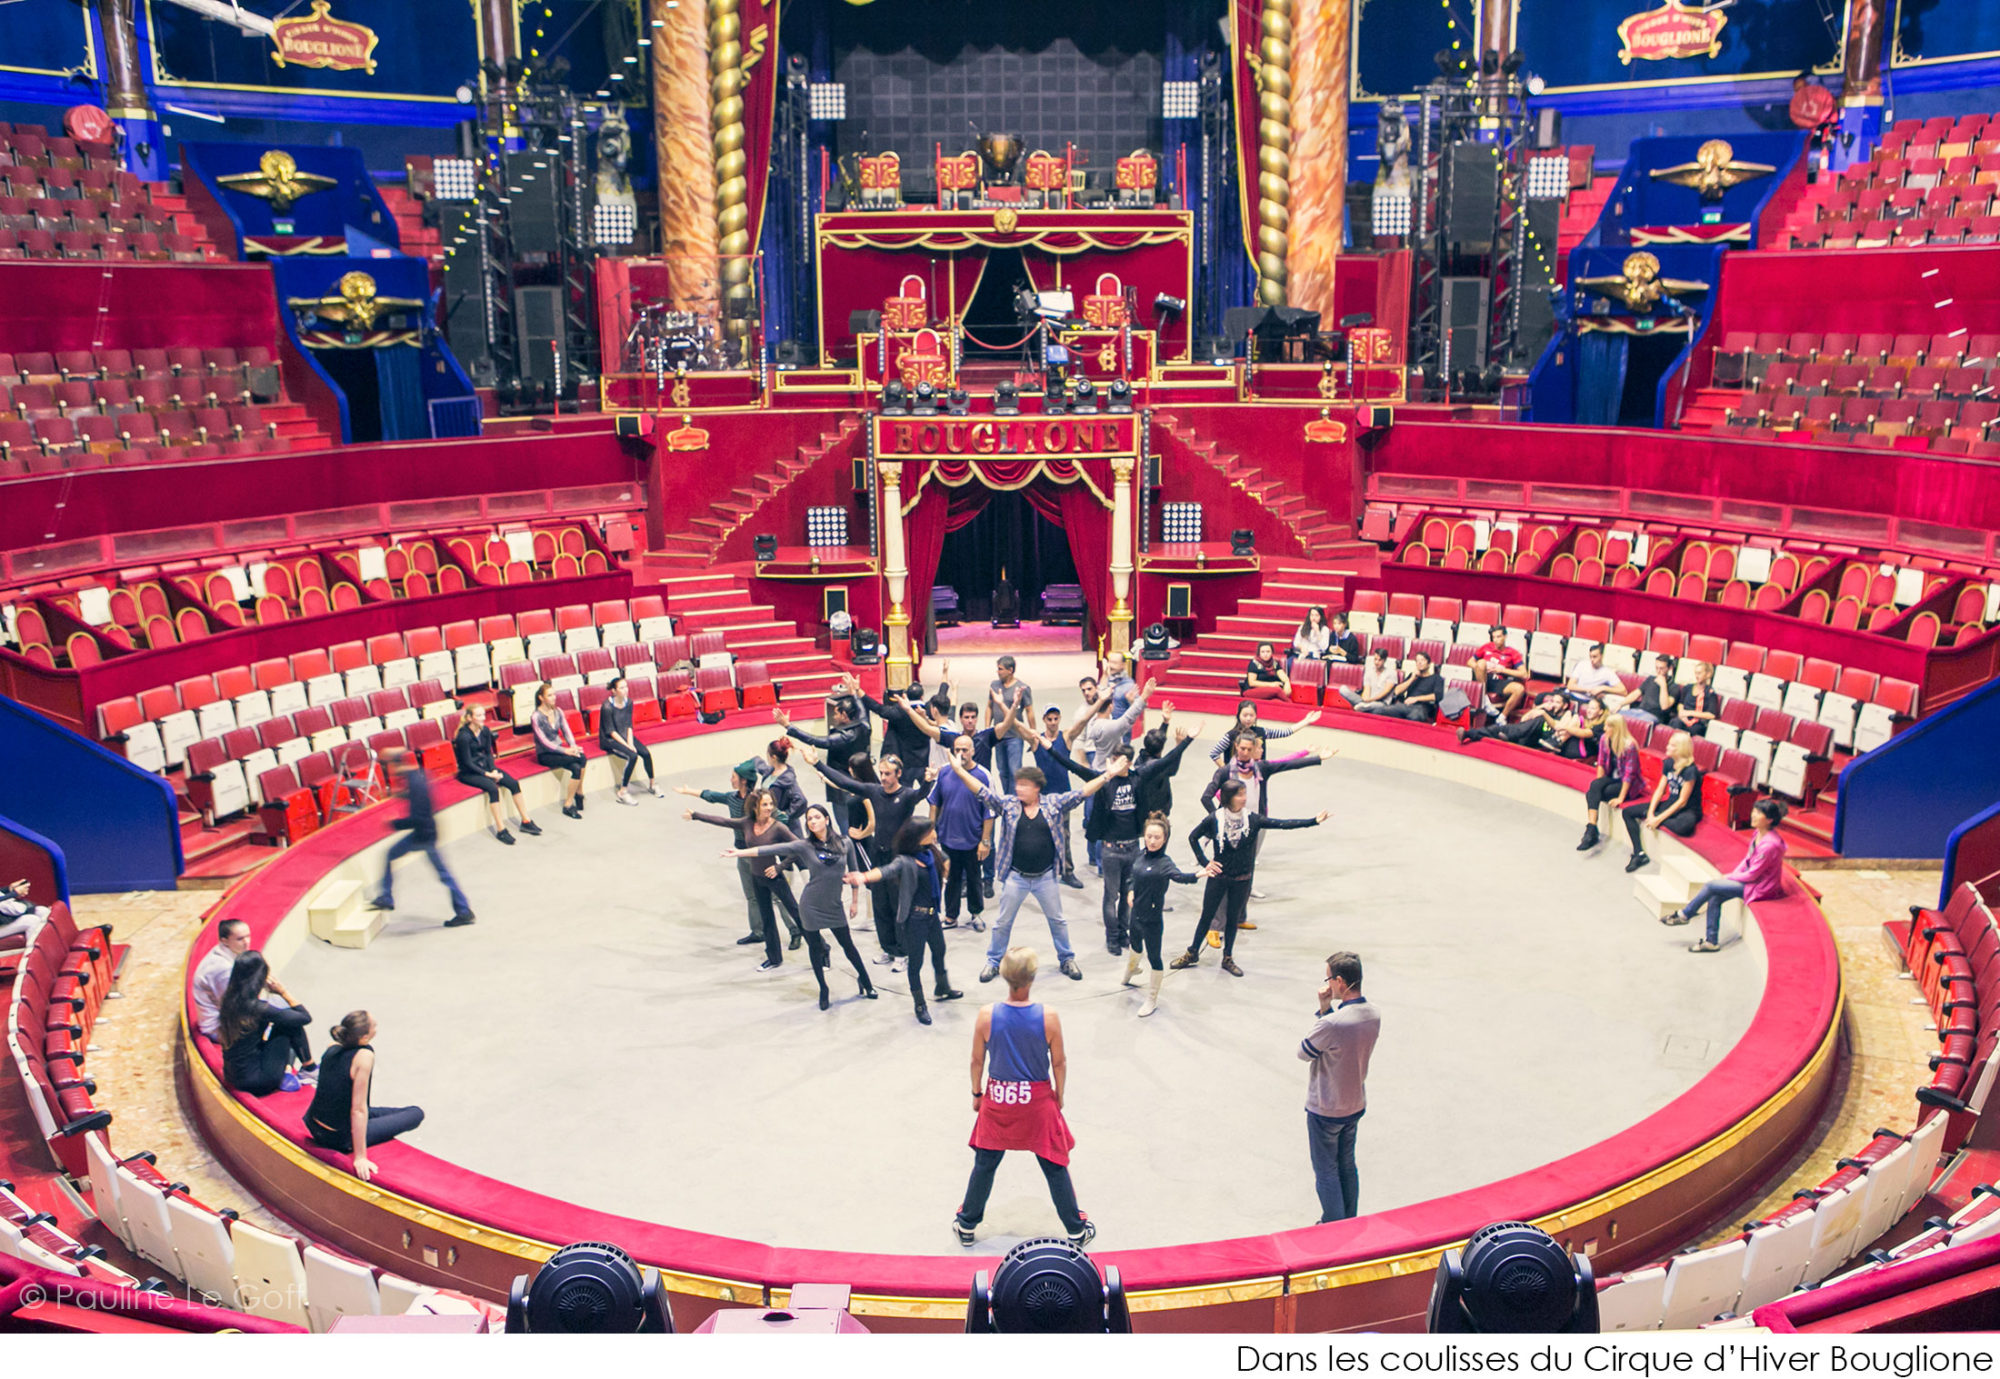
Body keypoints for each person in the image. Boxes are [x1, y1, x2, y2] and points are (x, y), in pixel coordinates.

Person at [948, 729, 1123, 985]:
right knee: (1002, 923)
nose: (1018, 789)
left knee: (1058, 921)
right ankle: (993, 961)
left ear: (1037, 788)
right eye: (1017, 784)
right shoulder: (1008, 805)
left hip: (1046, 878)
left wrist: (1108, 775)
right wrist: (960, 771)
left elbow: (1082, 792)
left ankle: (1066, 958)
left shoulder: (1053, 804)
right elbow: (983, 792)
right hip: (1016, 877)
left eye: (1024, 785)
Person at [951, 947, 1093, 1248]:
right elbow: (1059, 1062)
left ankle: (967, 1224)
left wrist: (978, 1093)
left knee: (985, 1162)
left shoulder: (986, 1015)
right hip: (1036, 1102)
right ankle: (1075, 1228)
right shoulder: (1048, 1017)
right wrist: (1059, 1095)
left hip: (999, 1100)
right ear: (1032, 977)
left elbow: (977, 1061)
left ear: (1004, 976)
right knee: (1054, 1163)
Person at [1045, 716, 1199, 955]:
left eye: (1121, 761)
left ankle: (1124, 933)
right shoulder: (1103, 781)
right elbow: (1073, 767)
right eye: (1114, 760)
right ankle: (1112, 937)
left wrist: (1187, 739)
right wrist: (1049, 749)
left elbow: (1166, 761)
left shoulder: (1138, 778)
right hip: (1110, 849)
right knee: (1111, 895)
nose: (1116, 765)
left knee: (1130, 894)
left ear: (1128, 763)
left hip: (1133, 848)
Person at [728, 803, 876, 1009]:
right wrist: (740, 853)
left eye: (817, 817)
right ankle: (823, 990)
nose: (813, 821)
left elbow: (855, 872)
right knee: (815, 949)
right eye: (809, 819)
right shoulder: (804, 846)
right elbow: (772, 848)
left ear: (827, 819)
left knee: (848, 946)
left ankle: (866, 981)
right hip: (811, 906)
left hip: (834, 905)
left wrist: (855, 902)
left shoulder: (845, 843)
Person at [1175, 781, 1328, 975]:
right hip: (1218, 877)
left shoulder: (1252, 820)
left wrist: (1313, 820)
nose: (1244, 798)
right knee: (1207, 916)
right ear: (1229, 797)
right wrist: (1205, 863)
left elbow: (1282, 824)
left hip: (1241, 879)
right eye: (1240, 794)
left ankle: (1227, 957)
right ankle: (1192, 952)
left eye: (1244, 793)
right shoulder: (1215, 819)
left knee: (1232, 919)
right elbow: (1193, 837)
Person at [799, 740, 928, 961]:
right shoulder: (874, 791)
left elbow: (922, 794)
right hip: (879, 854)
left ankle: (903, 952)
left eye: (888, 774)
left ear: (898, 774)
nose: (884, 778)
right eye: (882, 773)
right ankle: (888, 948)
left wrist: (929, 780)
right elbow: (845, 782)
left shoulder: (906, 795)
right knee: (880, 905)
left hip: (899, 858)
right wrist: (817, 763)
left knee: (898, 905)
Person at [849, 817, 960, 1024]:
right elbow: (885, 871)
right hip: (915, 919)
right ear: (918, 837)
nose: (935, 834)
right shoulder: (905, 861)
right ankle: (920, 1004)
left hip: (931, 916)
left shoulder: (932, 853)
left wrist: (944, 875)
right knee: (915, 963)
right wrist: (863, 877)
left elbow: (947, 860)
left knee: (939, 951)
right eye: (930, 831)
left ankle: (942, 987)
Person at [1299, 951, 1380, 1224]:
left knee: (1326, 1171)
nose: (1328, 984)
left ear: (1341, 982)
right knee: (1347, 1164)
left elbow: (1304, 1052)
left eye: (1329, 978)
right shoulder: (1372, 1015)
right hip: (1354, 1102)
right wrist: (1326, 1009)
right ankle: (1350, 1220)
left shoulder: (1332, 1023)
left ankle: (1334, 1226)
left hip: (1326, 1107)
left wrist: (1323, 1012)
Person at [676, 761, 792, 951]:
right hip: (741, 852)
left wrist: (771, 832)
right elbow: (713, 798)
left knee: (777, 897)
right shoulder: (732, 797)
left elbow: (783, 818)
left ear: (744, 780)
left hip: (761, 854)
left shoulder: (759, 800)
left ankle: (794, 930)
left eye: (734, 777)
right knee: (751, 896)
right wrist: (689, 792)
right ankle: (758, 931)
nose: (731, 779)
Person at [304, 1011, 423, 1183]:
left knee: (383, 1113)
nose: (376, 1026)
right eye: (374, 1025)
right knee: (415, 1113)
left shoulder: (332, 1047)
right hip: (337, 1136)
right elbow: (358, 1109)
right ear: (365, 1038)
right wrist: (360, 1157)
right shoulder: (364, 1057)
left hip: (313, 1125)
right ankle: (357, 1144)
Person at [687, 789, 801, 968]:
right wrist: (696, 815)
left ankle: (822, 949)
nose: (769, 808)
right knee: (767, 920)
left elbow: (799, 847)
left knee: (797, 914)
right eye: (765, 804)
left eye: (771, 804)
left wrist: (780, 867)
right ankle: (774, 958)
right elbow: (724, 821)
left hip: (774, 878)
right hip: (757, 878)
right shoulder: (748, 823)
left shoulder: (778, 827)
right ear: (755, 806)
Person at [368, 748, 474, 928]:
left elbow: (418, 817)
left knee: (443, 874)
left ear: (396, 765)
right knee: (394, 856)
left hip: (423, 834)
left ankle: (464, 911)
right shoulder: (416, 776)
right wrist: (400, 796)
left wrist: (394, 824)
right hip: (426, 831)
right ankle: (386, 897)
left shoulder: (414, 782)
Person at [1667, 800, 1790, 953]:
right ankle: (1711, 941)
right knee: (1715, 896)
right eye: (1754, 811)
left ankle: (1685, 914)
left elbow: (1753, 875)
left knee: (1712, 886)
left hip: (1760, 886)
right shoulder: (1759, 833)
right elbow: (1747, 860)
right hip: (1751, 880)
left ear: (1769, 820)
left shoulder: (1770, 845)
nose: (1753, 815)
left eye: (1758, 813)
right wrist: (1733, 875)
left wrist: (1731, 877)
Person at [1121, 812, 1200, 1017]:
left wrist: (1197, 875)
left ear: (1165, 839)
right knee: (1135, 946)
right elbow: (1131, 875)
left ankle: (1151, 998)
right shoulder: (1140, 854)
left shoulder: (1165, 863)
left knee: (1154, 957)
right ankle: (1131, 970)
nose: (1152, 841)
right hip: (1135, 913)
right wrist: (1130, 890)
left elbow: (1179, 876)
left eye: (1157, 838)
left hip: (1152, 920)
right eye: (1149, 836)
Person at [929, 724, 999, 932]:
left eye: (965, 750)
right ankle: (950, 916)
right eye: (957, 750)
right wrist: (932, 829)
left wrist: (985, 841)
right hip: (948, 838)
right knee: (951, 880)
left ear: (973, 751)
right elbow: (935, 801)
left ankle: (976, 914)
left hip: (972, 839)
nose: (961, 754)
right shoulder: (944, 773)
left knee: (974, 878)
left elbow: (990, 812)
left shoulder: (983, 776)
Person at [217, 950, 313, 1096]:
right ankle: (309, 1069)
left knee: (284, 1019)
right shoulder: (256, 1007)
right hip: (258, 1080)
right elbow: (304, 1017)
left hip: (233, 1075)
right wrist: (283, 991)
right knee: (289, 1024)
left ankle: (297, 1069)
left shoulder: (228, 1000)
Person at [454, 703, 540, 842]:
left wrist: (493, 769)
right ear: (470, 718)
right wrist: (488, 775)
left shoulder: (485, 731)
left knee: (513, 783)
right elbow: (467, 762)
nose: (483, 718)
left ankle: (526, 821)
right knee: (493, 789)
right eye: (479, 715)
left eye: (483, 715)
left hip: (486, 768)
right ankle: (501, 830)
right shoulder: (463, 736)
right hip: (469, 772)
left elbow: (489, 753)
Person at [1623, 730, 1704, 873]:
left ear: (1681, 749)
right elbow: (1660, 791)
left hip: (1688, 809)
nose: (1667, 747)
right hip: (1670, 803)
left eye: (1671, 745)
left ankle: (1662, 818)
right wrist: (1650, 813)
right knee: (1627, 812)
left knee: (1683, 827)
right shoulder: (1668, 763)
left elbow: (1682, 801)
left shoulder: (1690, 770)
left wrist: (1658, 819)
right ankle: (1639, 853)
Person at [777, 698, 870, 818]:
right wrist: (854, 693)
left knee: (845, 822)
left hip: (841, 781)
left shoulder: (846, 736)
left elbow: (817, 740)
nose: (834, 717)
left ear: (844, 714)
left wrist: (789, 726)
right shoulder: (864, 725)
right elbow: (862, 709)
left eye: (837, 713)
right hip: (860, 779)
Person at [1579, 713, 1643, 853]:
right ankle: (1591, 828)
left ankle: (1591, 833)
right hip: (1611, 776)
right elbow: (1601, 762)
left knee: (1593, 793)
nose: (1604, 728)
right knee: (1594, 787)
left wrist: (1620, 798)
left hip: (1628, 785)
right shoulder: (1604, 739)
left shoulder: (1629, 745)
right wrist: (1599, 782)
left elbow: (1629, 775)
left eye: (1608, 726)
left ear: (1616, 728)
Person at [598, 677, 662, 805]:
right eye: (621, 688)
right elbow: (611, 731)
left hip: (624, 735)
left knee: (645, 753)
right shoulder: (607, 706)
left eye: (626, 686)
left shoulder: (629, 702)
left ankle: (652, 784)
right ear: (614, 691)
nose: (625, 690)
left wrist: (631, 742)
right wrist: (627, 745)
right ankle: (623, 792)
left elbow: (628, 725)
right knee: (632, 756)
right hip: (610, 739)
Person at [530, 683, 587, 819]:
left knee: (578, 763)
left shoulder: (558, 711)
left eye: (554, 694)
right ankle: (575, 797)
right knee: (581, 759)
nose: (554, 697)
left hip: (560, 750)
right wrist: (565, 751)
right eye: (550, 695)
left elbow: (567, 731)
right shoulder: (536, 716)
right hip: (546, 754)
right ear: (541, 698)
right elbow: (544, 742)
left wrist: (573, 747)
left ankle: (572, 800)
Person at [191, 917, 252, 1041]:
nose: (247, 942)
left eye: (248, 936)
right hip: (218, 1027)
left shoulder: (223, 952)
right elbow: (231, 1006)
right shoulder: (223, 969)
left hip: (226, 1016)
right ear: (224, 941)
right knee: (285, 1020)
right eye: (240, 939)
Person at [1207, 698, 1315, 763]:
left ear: (1256, 717)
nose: (1248, 718)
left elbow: (1285, 732)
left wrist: (1306, 721)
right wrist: (1225, 771)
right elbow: (1214, 753)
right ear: (1238, 716)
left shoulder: (1262, 732)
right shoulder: (1230, 736)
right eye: (1245, 715)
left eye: (1251, 715)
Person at [1458, 691, 1569, 751]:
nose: (1553, 705)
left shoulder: (1566, 716)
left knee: (1538, 720)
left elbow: (1557, 727)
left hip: (1539, 740)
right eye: (1553, 701)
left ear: (1565, 706)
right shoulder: (1545, 711)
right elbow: (1524, 719)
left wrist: (1543, 714)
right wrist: (1541, 707)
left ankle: (1509, 737)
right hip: (1524, 734)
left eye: (1557, 702)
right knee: (1498, 729)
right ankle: (1469, 734)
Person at [1352, 651, 1443, 722]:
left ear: (1429, 663)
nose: (1419, 663)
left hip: (1422, 707)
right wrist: (1412, 678)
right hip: (1405, 705)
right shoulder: (1413, 676)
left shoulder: (1436, 678)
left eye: (1422, 660)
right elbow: (1397, 691)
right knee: (1379, 711)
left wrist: (1416, 698)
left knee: (1414, 716)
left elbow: (1437, 696)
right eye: (1417, 661)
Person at [990, 655, 1033, 795]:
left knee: (1015, 771)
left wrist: (1033, 734)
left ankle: (1014, 799)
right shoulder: (994, 686)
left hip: (1015, 736)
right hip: (998, 735)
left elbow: (1029, 711)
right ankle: (1008, 796)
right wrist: (987, 729)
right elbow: (989, 707)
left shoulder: (1022, 688)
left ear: (1010, 670)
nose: (998, 672)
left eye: (1000, 669)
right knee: (1002, 770)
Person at [1467, 628, 1528, 722]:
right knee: (1482, 662)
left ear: (1505, 636)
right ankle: (1484, 699)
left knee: (1519, 689)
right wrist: (1481, 668)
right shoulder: (1486, 647)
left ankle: (1502, 717)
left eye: (1498, 636)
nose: (1495, 640)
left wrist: (1502, 670)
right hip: (1484, 678)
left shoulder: (1512, 653)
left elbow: (1524, 674)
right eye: (1493, 637)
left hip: (1499, 681)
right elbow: (1470, 662)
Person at [759, 737, 811, 824]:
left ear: (773, 757)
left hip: (785, 828)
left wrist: (786, 815)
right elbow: (760, 766)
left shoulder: (787, 779)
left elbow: (801, 801)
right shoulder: (771, 771)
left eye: (767, 754)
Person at [1623, 654, 1683, 727]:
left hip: (1654, 716)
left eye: (1662, 668)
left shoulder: (1674, 687)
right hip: (1639, 711)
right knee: (1617, 717)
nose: (1658, 671)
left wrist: (1663, 685)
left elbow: (1664, 706)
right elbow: (1636, 693)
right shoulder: (1650, 679)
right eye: (1656, 668)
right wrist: (1621, 704)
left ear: (1669, 668)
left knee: (1640, 722)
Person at [1674, 661, 1723, 736]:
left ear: (1707, 674)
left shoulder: (1710, 693)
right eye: (1696, 673)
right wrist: (1681, 712)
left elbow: (1711, 715)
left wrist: (1690, 713)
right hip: (1683, 718)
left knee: (1694, 730)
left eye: (1699, 673)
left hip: (1698, 722)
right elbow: (1681, 703)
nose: (1697, 676)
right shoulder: (1688, 687)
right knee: (1675, 723)